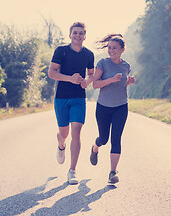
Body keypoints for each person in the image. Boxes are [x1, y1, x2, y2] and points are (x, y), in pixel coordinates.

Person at [48, 22, 94, 185]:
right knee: (64, 133)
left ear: (84, 36)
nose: (78, 35)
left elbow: (91, 75)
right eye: (75, 33)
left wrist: (86, 82)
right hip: (61, 97)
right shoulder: (61, 51)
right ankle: (61, 145)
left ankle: (72, 170)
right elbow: (52, 72)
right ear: (70, 35)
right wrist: (70, 78)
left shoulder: (88, 54)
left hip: (78, 98)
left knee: (76, 131)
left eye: (81, 33)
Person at [90, 34, 135, 184]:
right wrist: (111, 79)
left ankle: (112, 172)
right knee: (104, 138)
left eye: (114, 48)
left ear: (122, 49)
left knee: (116, 139)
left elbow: (120, 85)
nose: (111, 50)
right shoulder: (102, 63)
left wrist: (129, 82)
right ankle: (95, 147)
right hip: (103, 106)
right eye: (109, 47)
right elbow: (95, 84)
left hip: (121, 106)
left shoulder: (126, 66)